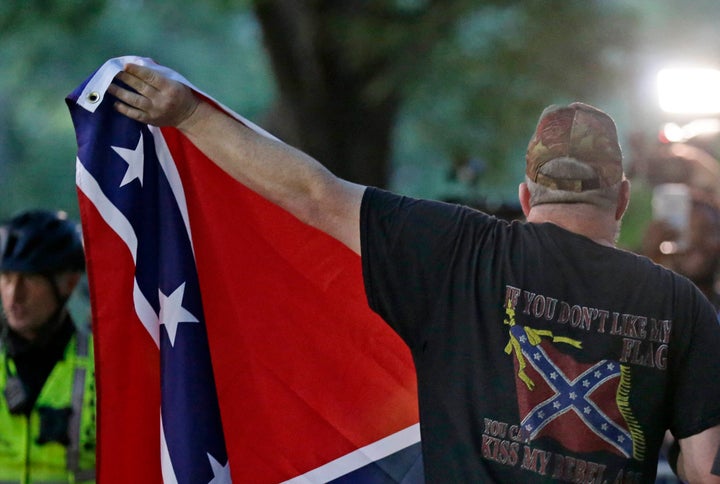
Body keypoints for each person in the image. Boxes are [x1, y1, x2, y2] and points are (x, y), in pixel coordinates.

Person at [108, 63, 720, 483]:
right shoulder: (683, 306)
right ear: (621, 200)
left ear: (527, 196)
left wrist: (188, 115)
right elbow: (705, 468)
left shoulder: (457, 250)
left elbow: (315, 194)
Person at [0, 210, 95, 483]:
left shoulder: (103, 367)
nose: (13, 295)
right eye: (7, 277)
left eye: (28, 279)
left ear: (69, 283)